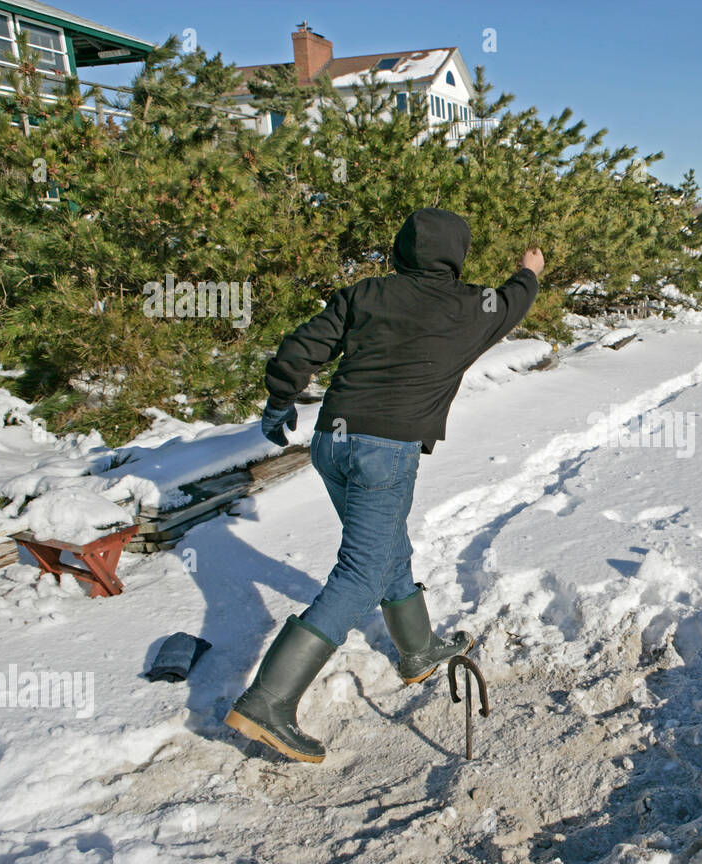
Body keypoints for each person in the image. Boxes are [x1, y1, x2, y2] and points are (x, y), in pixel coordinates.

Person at [225, 208, 544, 763]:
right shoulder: (473, 307)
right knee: (362, 571)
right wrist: (528, 271)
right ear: (455, 257)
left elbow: (300, 348)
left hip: (331, 442)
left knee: (385, 547)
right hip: (384, 453)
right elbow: (514, 301)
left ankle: (418, 650)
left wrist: (280, 399)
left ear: (401, 251)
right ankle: (267, 703)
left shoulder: (365, 294)